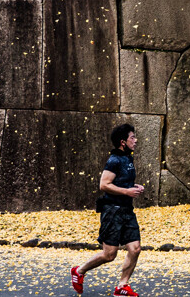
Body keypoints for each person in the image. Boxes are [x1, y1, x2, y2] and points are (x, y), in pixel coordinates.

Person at [71, 123, 145, 296]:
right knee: (109, 254)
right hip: (112, 211)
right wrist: (127, 191)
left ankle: (121, 286)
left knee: (135, 249)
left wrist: (133, 186)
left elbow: (120, 181)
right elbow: (104, 184)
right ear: (122, 142)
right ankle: (79, 271)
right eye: (132, 137)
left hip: (127, 210)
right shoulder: (114, 160)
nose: (135, 140)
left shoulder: (128, 158)